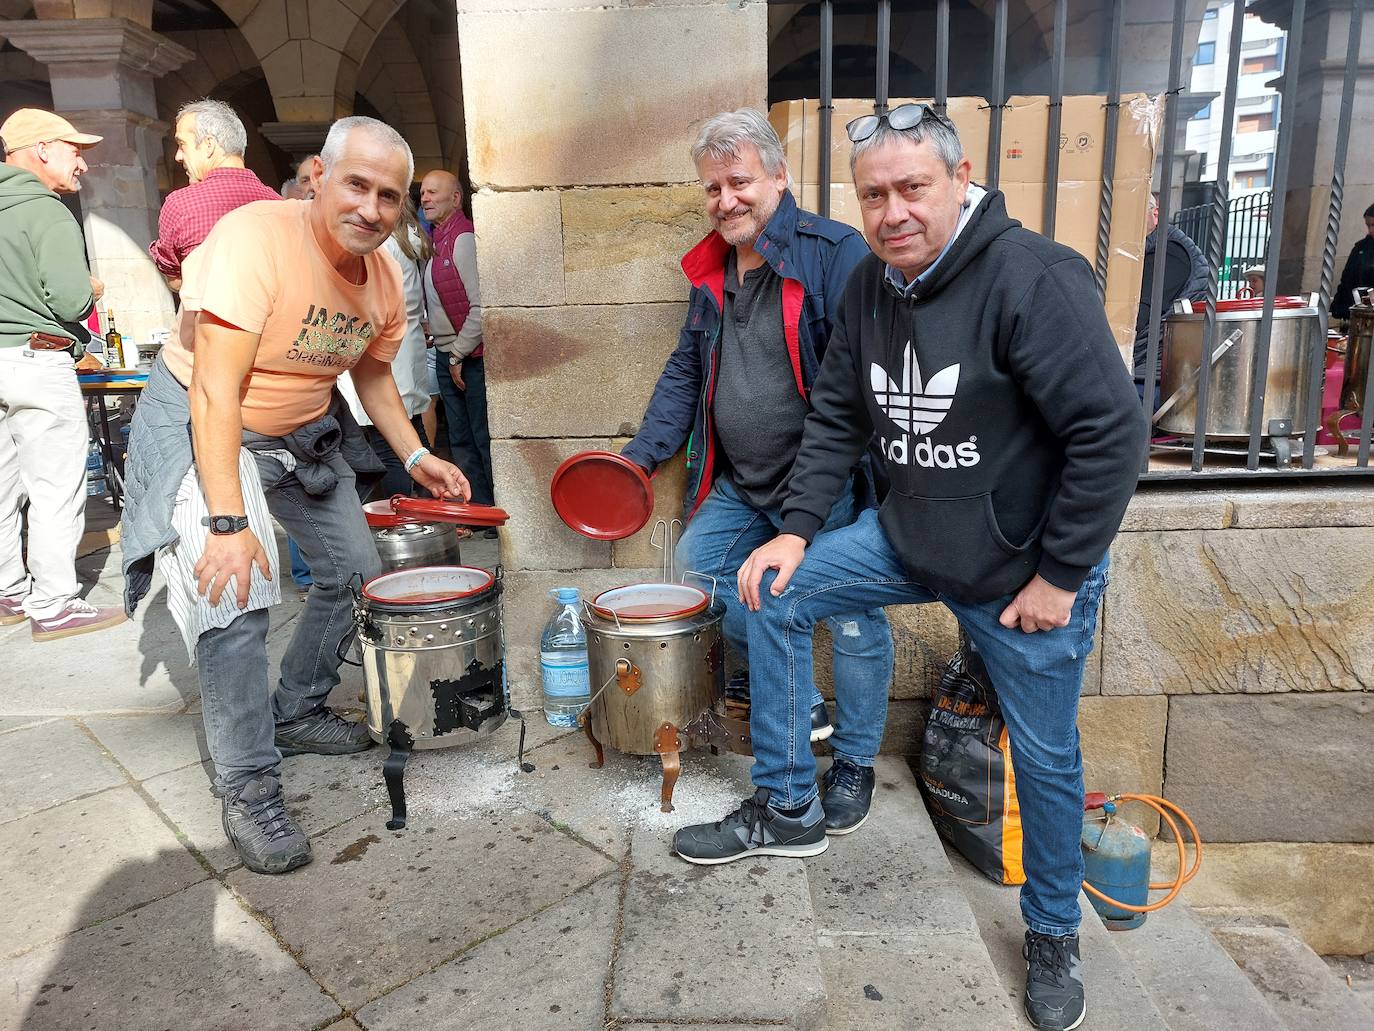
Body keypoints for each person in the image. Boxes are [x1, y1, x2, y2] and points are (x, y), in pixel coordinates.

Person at [673, 105, 1146, 1031]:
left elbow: (1111, 433)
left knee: (1047, 759)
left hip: (1021, 568)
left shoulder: (1032, 277)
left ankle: (1053, 929)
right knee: (770, 593)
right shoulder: (874, 287)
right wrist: (797, 531)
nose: (892, 212)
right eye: (875, 194)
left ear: (961, 177)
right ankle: (787, 803)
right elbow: (840, 413)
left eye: (912, 188)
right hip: (911, 536)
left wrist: (1058, 576)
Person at [119, 116, 469, 876]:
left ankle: (299, 707)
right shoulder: (255, 239)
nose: (371, 209)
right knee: (234, 587)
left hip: (305, 428)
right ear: (318, 178)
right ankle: (247, 784)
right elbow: (215, 388)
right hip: (205, 419)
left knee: (352, 573)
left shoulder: (381, 277)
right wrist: (226, 519)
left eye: (390, 195)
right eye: (356, 185)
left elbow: (372, 375)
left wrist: (417, 453)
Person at [620, 109, 893, 832]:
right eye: (712, 187)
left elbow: (857, 389)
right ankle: (799, 698)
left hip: (823, 483)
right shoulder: (710, 266)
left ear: (778, 176)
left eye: (739, 181)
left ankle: (858, 761)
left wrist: (823, 494)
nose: (726, 200)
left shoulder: (835, 255)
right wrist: (640, 458)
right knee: (700, 571)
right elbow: (686, 369)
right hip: (743, 481)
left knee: (857, 614)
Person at [0, 108, 126, 641]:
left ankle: (8, 588)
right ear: (42, 149)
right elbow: (70, 297)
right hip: (37, 358)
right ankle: (54, 602)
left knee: (2, 485)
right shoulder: (47, 212)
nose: (82, 164)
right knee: (55, 484)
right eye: (75, 150)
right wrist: (92, 289)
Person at [338, 196, 435, 500]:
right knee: (414, 435)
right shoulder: (408, 237)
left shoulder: (381, 245)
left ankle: (405, 515)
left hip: (386, 352)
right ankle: (431, 509)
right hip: (406, 349)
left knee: (390, 446)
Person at [420, 170, 495, 515]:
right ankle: (476, 511)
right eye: (422, 193)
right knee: (461, 439)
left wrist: (457, 355)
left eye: (434, 192)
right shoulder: (437, 241)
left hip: (468, 356)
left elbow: (480, 308)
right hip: (450, 351)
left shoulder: (462, 239)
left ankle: (489, 511)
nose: (425, 198)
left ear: (456, 198)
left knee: (479, 439)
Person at [149, 99, 280, 293]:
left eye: (182, 144)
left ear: (209, 145)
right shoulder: (279, 204)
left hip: (210, 320)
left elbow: (176, 280)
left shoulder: (181, 205)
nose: (178, 156)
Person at [1133, 193, 1208, 403]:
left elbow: (1136, 317)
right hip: (1145, 371)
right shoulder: (1149, 250)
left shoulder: (1168, 253)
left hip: (1153, 379)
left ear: (1155, 215)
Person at [1332, 202, 1374, 320]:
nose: (1370, 230)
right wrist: (1338, 307)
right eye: (1368, 225)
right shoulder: (1361, 248)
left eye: (1373, 225)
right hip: (1357, 310)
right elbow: (1347, 279)